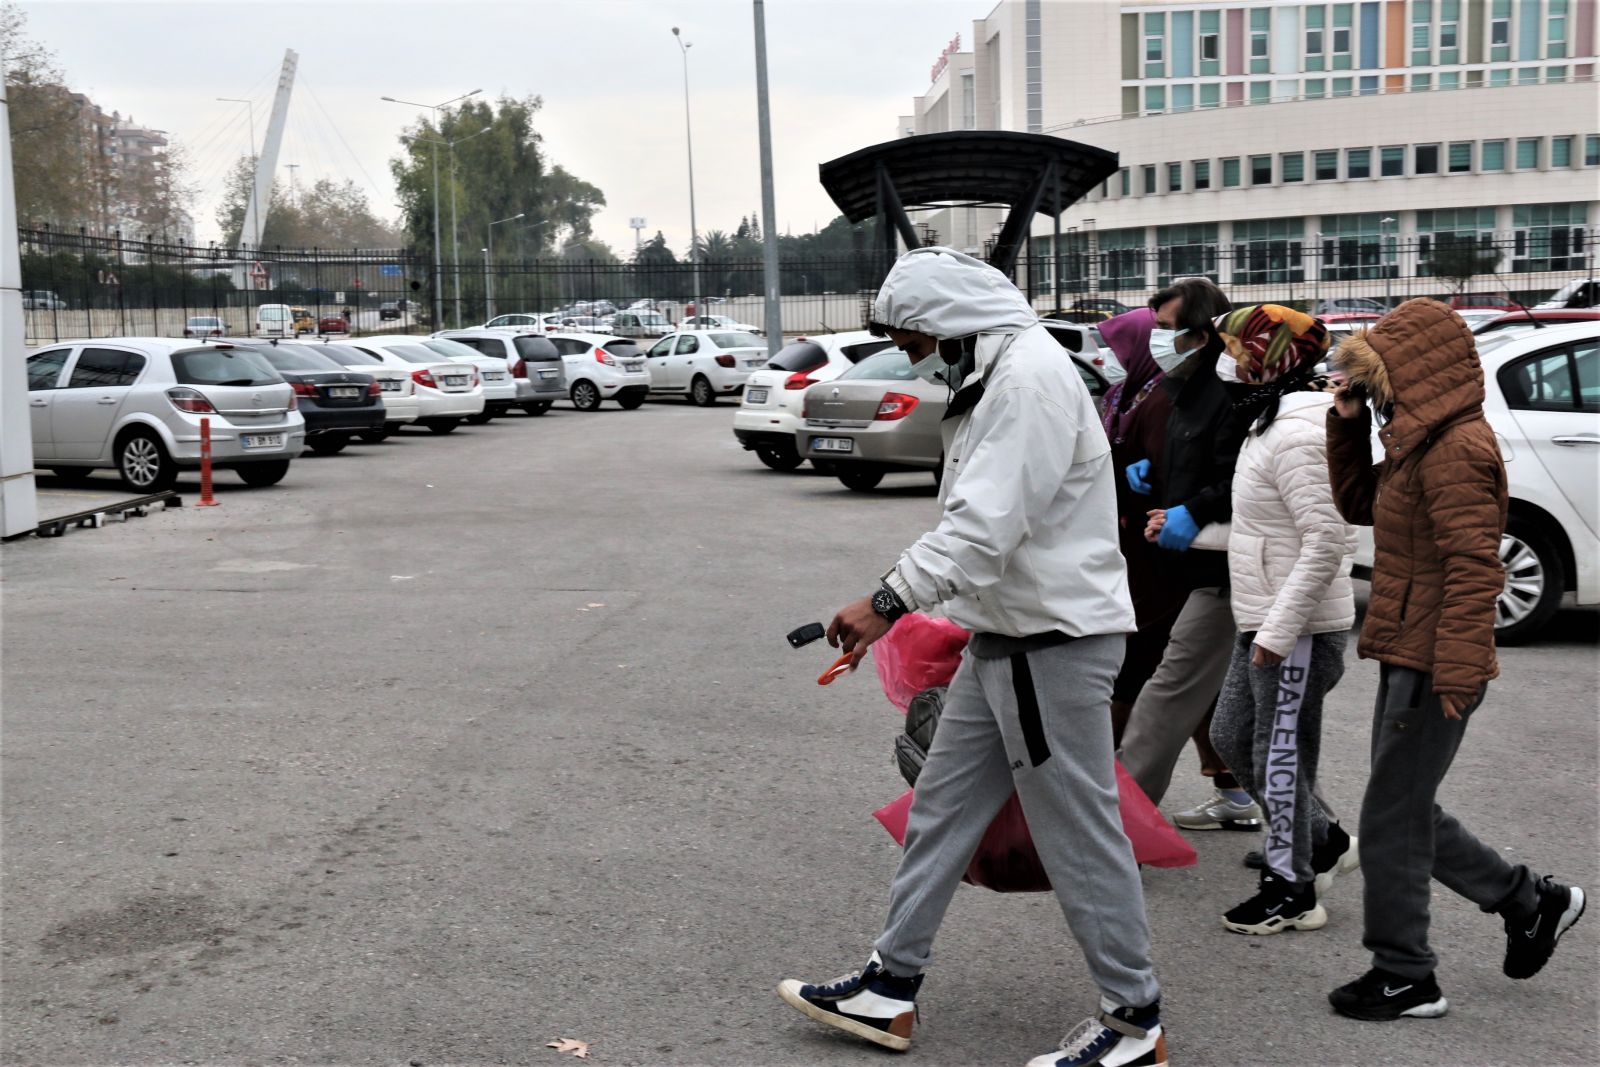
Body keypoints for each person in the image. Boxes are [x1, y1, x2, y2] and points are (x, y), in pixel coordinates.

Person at [777, 248, 1167, 1067]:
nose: (912, 352)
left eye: (913, 336)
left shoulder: (1024, 381)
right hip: (1013, 636)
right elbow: (985, 531)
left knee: (1080, 832)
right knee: (942, 809)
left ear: (954, 322)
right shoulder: (1003, 372)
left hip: (1049, 644)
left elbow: (985, 529)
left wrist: (886, 602)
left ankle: (1136, 1023)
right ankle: (890, 986)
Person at [1325, 298, 1585, 1021]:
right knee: (1399, 808)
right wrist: (1346, 427)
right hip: (1411, 646)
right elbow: (1357, 504)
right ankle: (1531, 899)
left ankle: (1407, 972)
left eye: (1378, 378)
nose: (1372, 392)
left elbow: (1477, 567)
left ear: (1414, 371)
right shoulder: (1420, 443)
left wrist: (1460, 668)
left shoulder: (1458, 449)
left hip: (1436, 658)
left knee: (1389, 815)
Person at [1182, 304, 1362, 936]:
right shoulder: (1271, 417)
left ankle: (1293, 889)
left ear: (1271, 356)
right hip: (1263, 617)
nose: (1226, 357)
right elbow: (1271, 530)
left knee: (1278, 753)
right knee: (1234, 737)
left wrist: (1279, 634)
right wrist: (1198, 534)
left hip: (1297, 628)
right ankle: (1326, 840)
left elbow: (1327, 541)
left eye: (1236, 346)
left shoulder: (1299, 430)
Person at [1116, 278, 1262, 833]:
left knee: (1166, 695)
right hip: (1194, 567)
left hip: (1225, 571)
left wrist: (1193, 511)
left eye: (1169, 330)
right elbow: (1195, 467)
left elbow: (1242, 478)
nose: (1159, 341)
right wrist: (1154, 484)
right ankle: (1307, 833)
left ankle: (1117, 827)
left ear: (1204, 332)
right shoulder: (1182, 386)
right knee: (1235, 718)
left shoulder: (1228, 392)